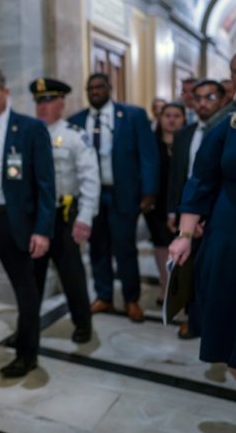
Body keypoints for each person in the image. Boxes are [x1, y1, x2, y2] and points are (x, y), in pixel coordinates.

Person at [169, 51, 236, 433]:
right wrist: (183, 235)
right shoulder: (231, 127)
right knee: (233, 333)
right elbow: (201, 182)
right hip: (229, 248)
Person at [0, 69, 55, 377]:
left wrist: (43, 230)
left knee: (26, 294)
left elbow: (46, 185)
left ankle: (27, 355)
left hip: (15, 224)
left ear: (5, 93)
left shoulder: (29, 129)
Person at [68, 73, 158, 322]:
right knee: (97, 248)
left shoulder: (133, 115)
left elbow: (148, 155)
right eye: (90, 88)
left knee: (125, 248)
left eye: (99, 87)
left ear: (110, 87)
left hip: (123, 194)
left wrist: (149, 191)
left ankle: (132, 299)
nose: (94, 91)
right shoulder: (76, 121)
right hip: (91, 197)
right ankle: (104, 296)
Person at [31, 78, 99, 344]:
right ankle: (29, 329)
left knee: (72, 276)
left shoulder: (73, 136)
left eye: (48, 100)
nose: (43, 106)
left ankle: (83, 324)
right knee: (31, 279)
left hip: (64, 218)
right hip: (36, 219)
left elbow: (90, 178)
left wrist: (84, 217)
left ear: (61, 103)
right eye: (39, 101)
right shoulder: (30, 134)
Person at [167, 80, 226, 340]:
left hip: (219, 213)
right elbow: (177, 176)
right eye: (198, 97)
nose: (203, 103)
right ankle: (193, 319)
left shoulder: (231, 131)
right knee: (190, 268)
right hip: (189, 213)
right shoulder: (183, 134)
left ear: (223, 100)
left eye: (210, 97)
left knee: (217, 272)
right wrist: (174, 212)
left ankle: (219, 322)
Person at [141, 103, 185, 306]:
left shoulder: (189, 141)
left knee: (183, 245)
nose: (172, 119)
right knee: (160, 244)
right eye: (167, 115)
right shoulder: (151, 142)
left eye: (177, 115)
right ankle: (165, 286)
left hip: (183, 203)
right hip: (157, 203)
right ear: (160, 118)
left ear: (184, 119)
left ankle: (183, 288)